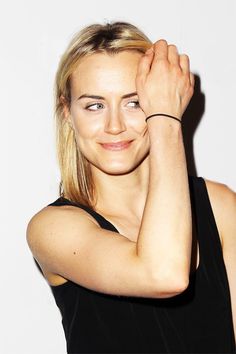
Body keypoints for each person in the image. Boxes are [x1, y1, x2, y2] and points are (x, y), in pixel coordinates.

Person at [26, 21, 236, 353]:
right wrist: (166, 119)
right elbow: (164, 274)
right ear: (67, 113)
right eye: (94, 105)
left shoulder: (221, 207)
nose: (114, 126)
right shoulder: (53, 229)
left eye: (134, 102)